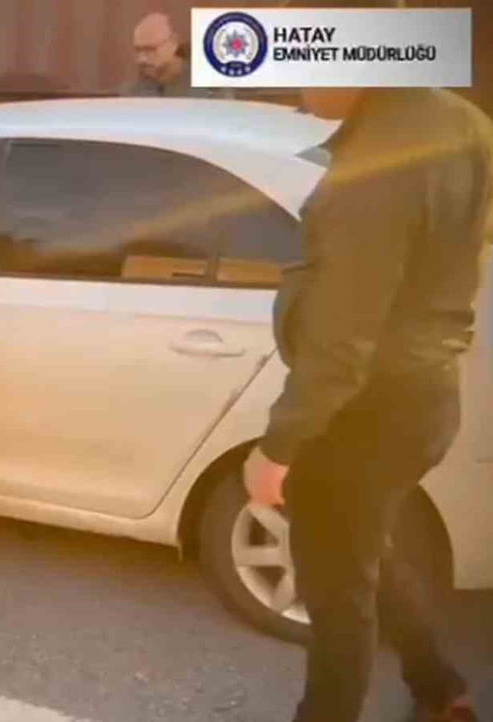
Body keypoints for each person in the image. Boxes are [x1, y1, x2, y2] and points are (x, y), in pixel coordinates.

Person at [242, 1, 493, 720]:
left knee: (337, 593)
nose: (294, 91)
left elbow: (343, 335)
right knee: (365, 546)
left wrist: (281, 445)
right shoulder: (462, 122)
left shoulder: (375, 167)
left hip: (362, 409)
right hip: (426, 391)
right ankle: (440, 687)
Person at [129, 12, 230, 99]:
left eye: (150, 50)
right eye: (138, 50)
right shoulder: (136, 89)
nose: (141, 59)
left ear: (173, 43)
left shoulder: (210, 87)